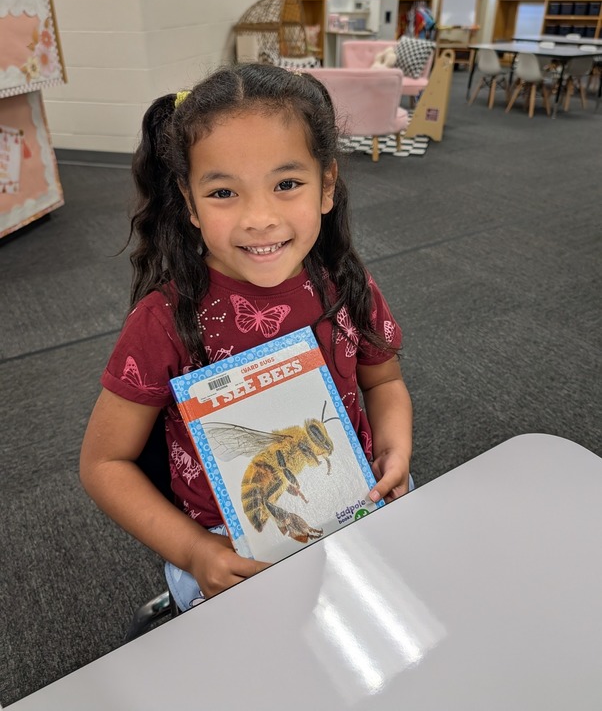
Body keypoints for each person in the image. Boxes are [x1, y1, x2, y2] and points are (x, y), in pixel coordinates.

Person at [80, 63, 413, 611]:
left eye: (287, 184)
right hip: (226, 552)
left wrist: (396, 450)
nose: (259, 218)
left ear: (327, 185)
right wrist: (193, 552)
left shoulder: (347, 287)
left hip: (359, 503)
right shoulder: (164, 321)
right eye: (223, 192)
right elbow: (103, 464)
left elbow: (385, 383)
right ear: (189, 202)